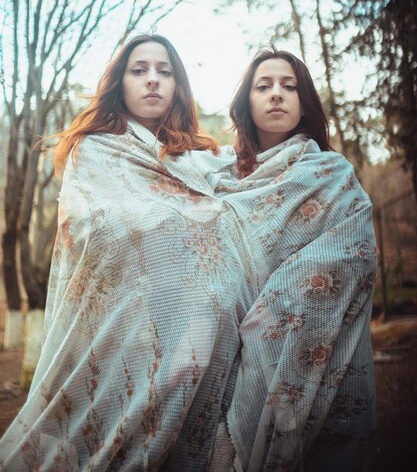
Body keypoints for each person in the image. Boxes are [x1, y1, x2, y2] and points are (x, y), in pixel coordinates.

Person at [0, 34, 256, 471]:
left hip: (202, 337)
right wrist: (170, 218)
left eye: (164, 71)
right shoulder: (95, 151)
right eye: (139, 71)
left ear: (178, 85)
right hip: (122, 334)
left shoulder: (203, 158)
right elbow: (91, 226)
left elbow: (242, 212)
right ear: (120, 82)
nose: (153, 80)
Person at [212, 47, 377, 472]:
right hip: (225, 344)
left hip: (301, 342)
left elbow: (355, 255)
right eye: (263, 86)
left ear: (304, 102)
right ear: (246, 102)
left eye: (289, 86)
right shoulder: (221, 179)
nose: (276, 95)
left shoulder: (332, 175)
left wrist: (274, 306)